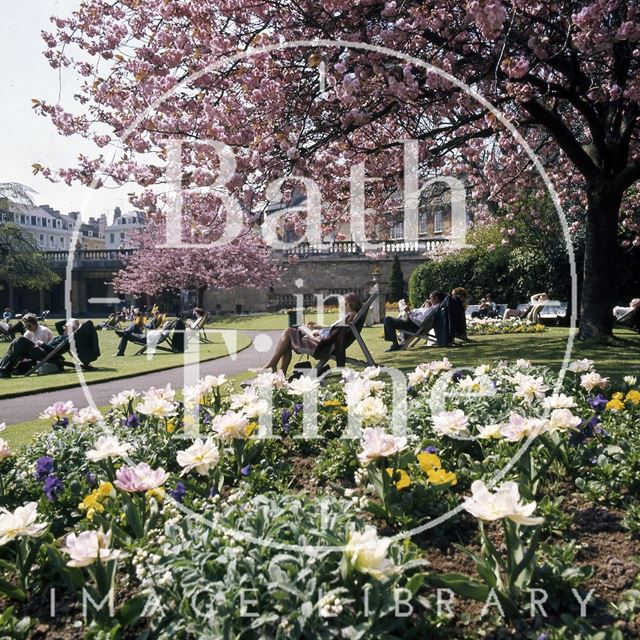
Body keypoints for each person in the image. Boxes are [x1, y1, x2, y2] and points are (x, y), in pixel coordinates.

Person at [263, 292, 362, 374]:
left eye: (343, 304)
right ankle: (280, 372)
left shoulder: (349, 317)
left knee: (288, 332)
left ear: (350, 304)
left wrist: (316, 334)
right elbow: (334, 332)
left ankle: (273, 365)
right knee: (287, 340)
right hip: (321, 340)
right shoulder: (349, 317)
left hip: (320, 345)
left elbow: (331, 337)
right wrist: (319, 328)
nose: (341, 306)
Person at [0, 319, 80, 378]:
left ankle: (5, 370)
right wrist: (70, 320)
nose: (65, 327)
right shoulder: (63, 334)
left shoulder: (68, 337)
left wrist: (42, 344)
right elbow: (58, 324)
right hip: (43, 350)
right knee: (15, 342)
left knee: (20, 340)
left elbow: (54, 350)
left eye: (67, 326)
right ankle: (3, 369)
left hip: (46, 353)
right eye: (65, 326)